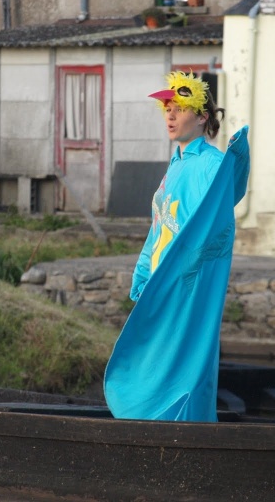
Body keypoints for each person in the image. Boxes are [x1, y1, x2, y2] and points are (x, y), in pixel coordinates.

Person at [104, 71, 250, 422]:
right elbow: (158, 229)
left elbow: (215, 231)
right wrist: (142, 273)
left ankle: (183, 430)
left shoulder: (211, 165)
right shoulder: (177, 164)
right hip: (159, 283)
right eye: (166, 108)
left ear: (202, 117)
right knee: (152, 360)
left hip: (183, 287)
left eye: (179, 108)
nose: (169, 115)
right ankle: (149, 424)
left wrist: (183, 278)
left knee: (185, 363)